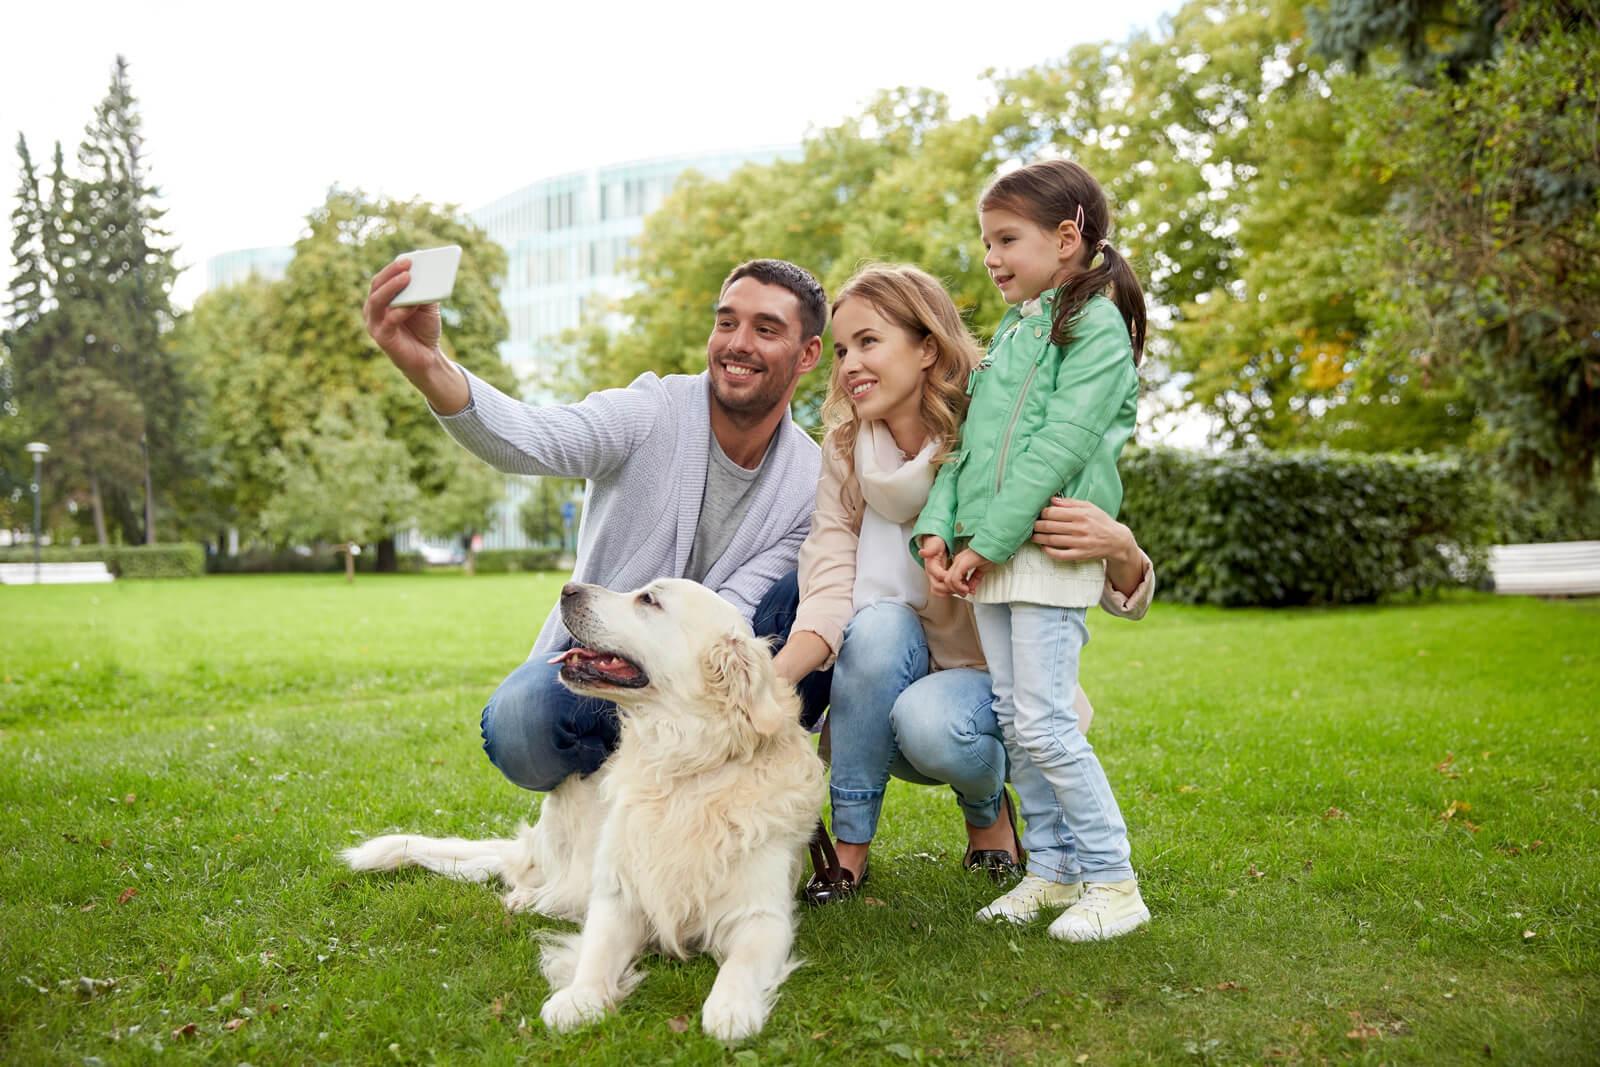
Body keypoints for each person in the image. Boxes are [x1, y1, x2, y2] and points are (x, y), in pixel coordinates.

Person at [362, 256, 832, 795]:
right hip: (602, 668)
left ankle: (725, 791)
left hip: (705, 687)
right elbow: (533, 436)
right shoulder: (652, 409)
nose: (737, 343)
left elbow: (731, 617)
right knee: (520, 722)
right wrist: (429, 365)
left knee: (813, 587)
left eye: (766, 329)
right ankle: (625, 804)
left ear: (808, 354)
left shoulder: (806, 481)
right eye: (726, 322)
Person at [771, 264, 1154, 905]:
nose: (848, 365)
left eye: (869, 342)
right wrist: (771, 685)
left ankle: (990, 818)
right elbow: (831, 577)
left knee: (931, 721)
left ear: (927, 348)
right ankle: (848, 854)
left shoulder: (993, 432)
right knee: (877, 624)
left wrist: (1122, 547)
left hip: (989, 689)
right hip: (883, 681)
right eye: (840, 350)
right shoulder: (844, 452)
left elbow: (1077, 566)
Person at [913, 159, 1151, 942]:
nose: (991, 257)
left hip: (1045, 546)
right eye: (986, 241)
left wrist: (988, 541)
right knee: (1018, 724)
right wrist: (940, 529)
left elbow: (1057, 448)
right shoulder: (1013, 331)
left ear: (1066, 236)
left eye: (1006, 239)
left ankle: (1113, 880)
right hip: (997, 551)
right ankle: (1050, 870)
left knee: (1047, 723)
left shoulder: (1093, 326)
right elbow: (965, 449)